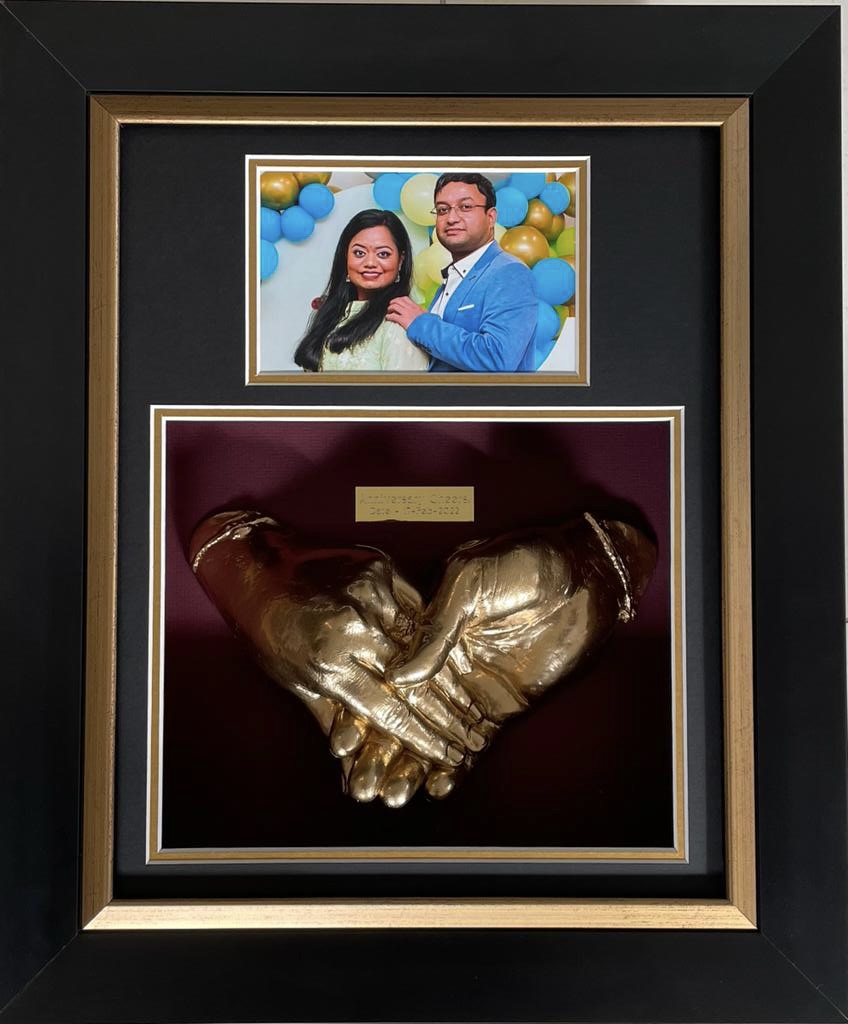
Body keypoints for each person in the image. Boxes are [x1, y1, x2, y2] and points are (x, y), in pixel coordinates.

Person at [386, 173, 538, 372]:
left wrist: (421, 323)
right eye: (442, 210)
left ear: (491, 217)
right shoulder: (453, 276)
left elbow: (497, 358)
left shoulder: (509, 272)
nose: (451, 218)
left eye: (465, 207)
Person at [294, 209, 428, 372]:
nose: (370, 263)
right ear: (345, 257)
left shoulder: (399, 321)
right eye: (359, 253)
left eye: (383, 254)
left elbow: (403, 388)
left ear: (400, 260)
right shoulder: (331, 315)